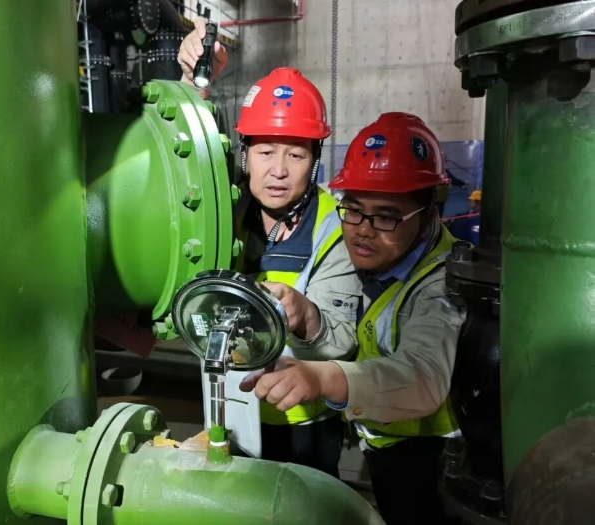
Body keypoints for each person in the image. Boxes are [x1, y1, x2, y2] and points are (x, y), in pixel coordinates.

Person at [241, 113, 465, 524]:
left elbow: (423, 377)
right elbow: (346, 330)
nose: (363, 230)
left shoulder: (441, 284)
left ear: (429, 214)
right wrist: (306, 313)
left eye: (386, 216)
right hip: (383, 441)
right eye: (355, 210)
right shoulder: (379, 257)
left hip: (432, 460)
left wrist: (323, 378)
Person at [177, 19, 360, 477]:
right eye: (265, 153)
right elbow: (183, 162)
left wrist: (306, 315)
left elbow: (344, 339)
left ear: (313, 161)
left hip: (304, 423)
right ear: (244, 155)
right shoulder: (225, 207)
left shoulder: (334, 227)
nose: (278, 170)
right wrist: (192, 79)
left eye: (295, 155)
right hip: (228, 408)